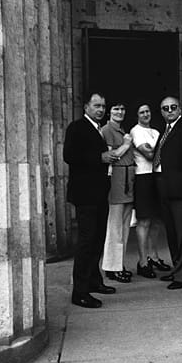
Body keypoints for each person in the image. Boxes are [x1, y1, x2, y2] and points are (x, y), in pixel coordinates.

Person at [63, 91, 117, 309]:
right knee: (87, 242)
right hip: (85, 195)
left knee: (97, 240)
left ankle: (94, 281)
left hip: (98, 194)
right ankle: (80, 292)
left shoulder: (97, 129)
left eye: (103, 106)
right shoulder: (77, 127)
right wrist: (99, 157)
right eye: (96, 106)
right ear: (86, 107)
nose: (101, 110)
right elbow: (69, 156)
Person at [153, 96, 182, 290]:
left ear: (180, 108)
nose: (169, 110)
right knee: (171, 232)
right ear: (161, 111)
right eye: (165, 108)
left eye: (173, 107)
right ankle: (177, 268)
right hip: (164, 186)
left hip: (180, 188)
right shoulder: (165, 131)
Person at [130, 104, 172, 278]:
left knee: (157, 220)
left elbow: (154, 151)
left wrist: (158, 150)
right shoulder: (136, 131)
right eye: (141, 112)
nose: (145, 114)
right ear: (137, 115)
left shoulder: (155, 132)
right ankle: (142, 262)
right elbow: (148, 154)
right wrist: (164, 149)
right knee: (144, 221)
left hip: (157, 177)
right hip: (143, 178)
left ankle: (153, 257)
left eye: (148, 111)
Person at [100, 102, 136, 283]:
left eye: (122, 109)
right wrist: (126, 145)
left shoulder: (122, 129)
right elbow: (110, 157)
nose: (120, 112)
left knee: (124, 228)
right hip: (116, 182)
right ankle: (111, 268)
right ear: (109, 112)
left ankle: (119, 265)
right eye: (116, 109)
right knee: (114, 228)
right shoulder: (106, 130)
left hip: (127, 182)